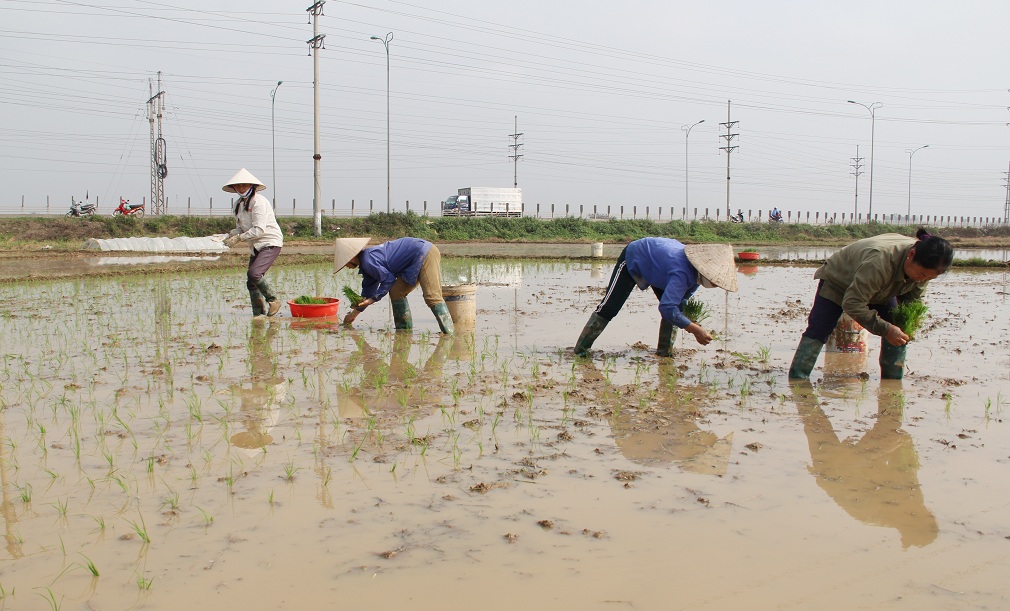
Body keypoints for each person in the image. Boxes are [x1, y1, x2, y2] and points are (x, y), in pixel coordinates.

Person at [788, 228, 953, 380]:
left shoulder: (923, 269)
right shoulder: (880, 260)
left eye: (928, 278)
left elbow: (913, 301)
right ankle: (798, 380)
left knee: (899, 326)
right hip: (839, 281)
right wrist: (886, 329)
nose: (921, 280)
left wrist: (907, 325)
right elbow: (853, 304)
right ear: (911, 254)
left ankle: (892, 383)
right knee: (819, 328)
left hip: (881, 288)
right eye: (921, 274)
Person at [574, 239, 739, 357]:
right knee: (610, 307)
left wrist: (686, 318)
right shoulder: (682, 272)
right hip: (635, 257)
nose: (716, 285)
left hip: (661, 269)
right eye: (716, 282)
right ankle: (581, 350)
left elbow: (678, 302)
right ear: (707, 273)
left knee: (677, 308)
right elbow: (666, 308)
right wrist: (695, 329)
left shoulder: (696, 274)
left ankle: (664, 353)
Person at [335, 237, 454, 334]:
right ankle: (404, 331)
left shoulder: (368, 260)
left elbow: (388, 279)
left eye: (345, 263)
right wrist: (353, 315)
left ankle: (449, 334)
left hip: (424, 252)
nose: (346, 266)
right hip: (413, 259)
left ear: (351, 258)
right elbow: (368, 292)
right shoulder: (366, 265)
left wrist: (373, 299)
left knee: (432, 296)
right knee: (396, 291)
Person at [221, 168, 284, 318]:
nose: (241, 188)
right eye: (238, 186)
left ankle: (273, 300)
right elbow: (241, 228)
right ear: (234, 188)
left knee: (254, 273)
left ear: (252, 186)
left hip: (269, 241)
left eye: (245, 185)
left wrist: (238, 238)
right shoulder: (238, 205)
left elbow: (259, 230)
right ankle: (258, 314)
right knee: (251, 282)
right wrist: (228, 235)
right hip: (255, 245)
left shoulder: (259, 202)